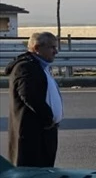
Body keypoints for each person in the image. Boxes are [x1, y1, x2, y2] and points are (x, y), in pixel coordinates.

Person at [5, 32, 64, 167]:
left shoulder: (39, 66)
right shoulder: (25, 67)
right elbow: (29, 96)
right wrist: (48, 118)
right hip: (33, 136)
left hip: (44, 133)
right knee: (33, 176)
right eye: (52, 48)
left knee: (44, 173)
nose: (56, 52)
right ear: (37, 48)